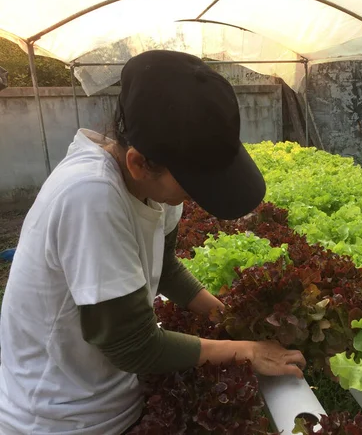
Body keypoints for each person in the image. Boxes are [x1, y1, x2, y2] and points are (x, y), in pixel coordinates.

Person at [0, 50, 306, 434]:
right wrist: (245, 350)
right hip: (59, 417)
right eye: (193, 181)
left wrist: (225, 317)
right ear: (138, 163)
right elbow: (132, 345)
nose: (196, 196)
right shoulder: (89, 196)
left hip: (114, 398)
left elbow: (164, 269)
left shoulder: (156, 188)